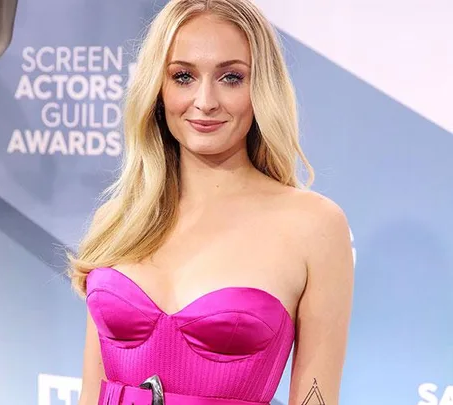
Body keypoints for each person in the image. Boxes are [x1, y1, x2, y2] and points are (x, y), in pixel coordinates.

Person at [67, 1, 354, 404]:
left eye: (231, 77)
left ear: (261, 88)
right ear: (158, 88)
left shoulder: (313, 226)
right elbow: (89, 392)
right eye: (183, 76)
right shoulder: (116, 220)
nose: (205, 101)